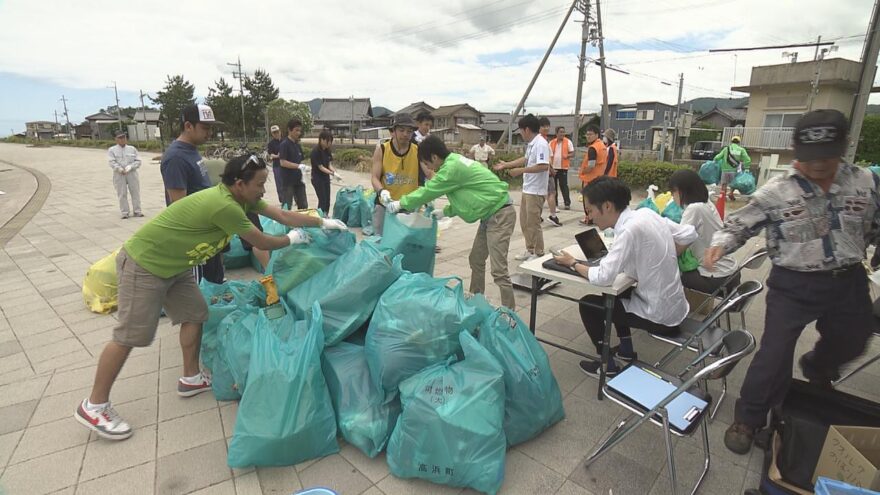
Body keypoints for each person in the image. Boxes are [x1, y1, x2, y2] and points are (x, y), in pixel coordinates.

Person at [74, 155, 348, 440]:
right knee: (130, 336)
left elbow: (283, 215)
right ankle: (95, 405)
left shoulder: (241, 196)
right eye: (260, 184)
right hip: (145, 264)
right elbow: (261, 241)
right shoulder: (224, 205)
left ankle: (190, 378)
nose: (264, 190)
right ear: (239, 183)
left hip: (175, 264)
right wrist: (290, 239)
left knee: (196, 313)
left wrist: (322, 222)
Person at [703, 109, 880, 455]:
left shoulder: (865, 181)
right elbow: (740, 224)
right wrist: (719, 245)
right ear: (795, 149)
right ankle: (748, 417)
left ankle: (818, 368)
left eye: (827, 156)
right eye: (810, 157)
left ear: (844, 147)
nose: (818, 166)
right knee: (773, 354)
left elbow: (873, 222)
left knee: (857, 336)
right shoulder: (776, 191)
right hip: (793, 285)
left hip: (848, 278)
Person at [554, 177, 697, 377]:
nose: (589, 217)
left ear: (607, 206)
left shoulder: (629, 230)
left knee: (589, 305)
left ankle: (608, 366)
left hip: (661, 318)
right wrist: (662, 258)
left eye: (590, 210)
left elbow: (603, 277)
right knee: (613, 296)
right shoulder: (646, 213)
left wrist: (573, 264)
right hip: (675, 306)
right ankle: (626, 350)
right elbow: (689, 233)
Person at [385, 135, 516, 309]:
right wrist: (446, 211)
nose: (430, 169)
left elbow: (428, 191)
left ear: (434, 157)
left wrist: (400, 203)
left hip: (500, 215)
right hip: (490, 214)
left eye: (427, 163)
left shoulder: (450, 169)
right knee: (476, 259)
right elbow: (471, 195)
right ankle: (476, 302)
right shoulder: (455, 162)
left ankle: (509, 313)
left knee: (499, 270)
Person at [160, 104, 224, 283]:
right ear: (188, 126)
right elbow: (180, 205)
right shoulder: (176, 158)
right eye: (205, 128)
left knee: (215, 282)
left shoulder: (191, 150)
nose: (209, 133)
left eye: (211, 128)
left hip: (207, 231)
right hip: (194, 237)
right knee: (200, 288)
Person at [668, 169, 740, 294]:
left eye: (672, 192)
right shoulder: (706, 203)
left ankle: (675, 312)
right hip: (731, 273)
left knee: (667, 275)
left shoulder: (694, 209)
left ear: (680, 191)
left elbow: (678, 248)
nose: (672, 197)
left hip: (715, 278)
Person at [494, 114, 550, 261]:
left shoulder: (541, 144)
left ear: (526, 129)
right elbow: (525, 159)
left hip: (536, 190)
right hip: (528, 188)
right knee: (525, 222)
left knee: (533, 223)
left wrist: (520, 171)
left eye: (520, 130)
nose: (520, 133)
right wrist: (507, 164)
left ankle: (538, 253)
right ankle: (529, 250)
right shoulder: (532, 144)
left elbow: (544, 166)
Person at [371, 113, 420, 235]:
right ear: (393, 131)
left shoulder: (417, 150)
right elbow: (374, 178)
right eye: (401, 130)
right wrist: (382, 192)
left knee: (404, 243)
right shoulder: (382, 149)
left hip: (408, 206)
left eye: (409, 131)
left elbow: (430, 174)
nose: (405, 134)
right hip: (385, 205)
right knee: (381, 241)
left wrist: (431, 193)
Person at [108, 131, 142, 219]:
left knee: (135, 192)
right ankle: (125, 212)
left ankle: (137, 211)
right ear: (116, 139)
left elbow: (138, 161)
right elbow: (111, 162)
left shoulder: (132, 149)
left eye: (124, 137)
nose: (122, 140)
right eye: (120, 138)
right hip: (119, 174)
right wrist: (119, 169)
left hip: (131, 173)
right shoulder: (112, 150)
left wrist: (130, 167)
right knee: (122, 193)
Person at [578, 125, 609, 225]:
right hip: (599, 177)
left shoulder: (593, 148)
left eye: (590, 134)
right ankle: (597, 218)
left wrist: (583, 171)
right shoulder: (602, 146)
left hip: (590, 179)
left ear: (596, 135)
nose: (588, 136)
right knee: (597, 200)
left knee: (588, 200)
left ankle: (589, 218)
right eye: (587, 134)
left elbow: (591, 165)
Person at [278, 118, 311, 209]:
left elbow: (301, 161)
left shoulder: (297, 145)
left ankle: (302, 223)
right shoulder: (284, 144)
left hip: (299, 180)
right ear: (289, 130)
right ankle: (285, 223)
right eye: (296, 130)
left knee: (303, 205)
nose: (298, 133)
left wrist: (306, 170)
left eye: (300, 131)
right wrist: (298, 166)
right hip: (288, 181)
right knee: (287, 206)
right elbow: (282, 162)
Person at [539, 117, 562, 227]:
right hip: (546, 172)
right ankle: (553, 216)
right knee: (551, 193)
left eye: (548, 126)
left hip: (543, 172)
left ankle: (537, 215)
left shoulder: (542, 139)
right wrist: (551, 170)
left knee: (542, 195)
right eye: (544, 126)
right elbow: (546, 159)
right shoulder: (542, 141)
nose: (547, 128)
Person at [714, 135, 751, 201]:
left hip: (724, 170)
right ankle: (731, 192)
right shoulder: (741, 150)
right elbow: (747, 159)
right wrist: (747, 168)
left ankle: (723, 196)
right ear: (739, 142)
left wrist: (715, 161)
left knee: (724, 184)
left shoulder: (726, 149)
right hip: (734, 170)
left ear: (731, 141)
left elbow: (718, 157)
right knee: (733, 184)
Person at [310, 129, 337, 214]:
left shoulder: (327, 151)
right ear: (321, 139)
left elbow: (329, 165)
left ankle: (326, 215)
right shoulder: (315, 151)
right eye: (328, 141)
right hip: (317, 178)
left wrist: (335, 172)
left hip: (325, 178)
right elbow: (320, 167)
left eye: (330, 141)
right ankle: (320, 217)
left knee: (327, 200)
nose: (329, 143)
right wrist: (331, 173)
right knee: (322, 199)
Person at [549, 126, 574, 210]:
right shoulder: (551, 143)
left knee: (563, 186)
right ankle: (554, 204)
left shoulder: (568, 142)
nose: (562, 134)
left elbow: (572, 153)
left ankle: (567, 203)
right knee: (553, 186)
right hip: (553, 168)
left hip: (563, 168)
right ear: (556, 133)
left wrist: (567, 155)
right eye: (561, 132)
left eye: (563, 132)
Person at [413, 112, 435, 182]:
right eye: (426, 124)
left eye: (430, 126)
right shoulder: (411, 138)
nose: (428, 128)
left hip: (429, 169)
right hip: (415, 169)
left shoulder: (431, 138)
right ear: (418, 123)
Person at [267, 124, 283, 203]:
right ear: (272, 134)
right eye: (274, 133)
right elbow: (271, 154)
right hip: (277, 165)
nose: (276, 134)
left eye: (277, 132)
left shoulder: (285, 141)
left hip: (286, 165)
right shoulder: (271, 144)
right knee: (279, 183)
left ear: (280, 132)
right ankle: (282, 199)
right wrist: (277, 156)